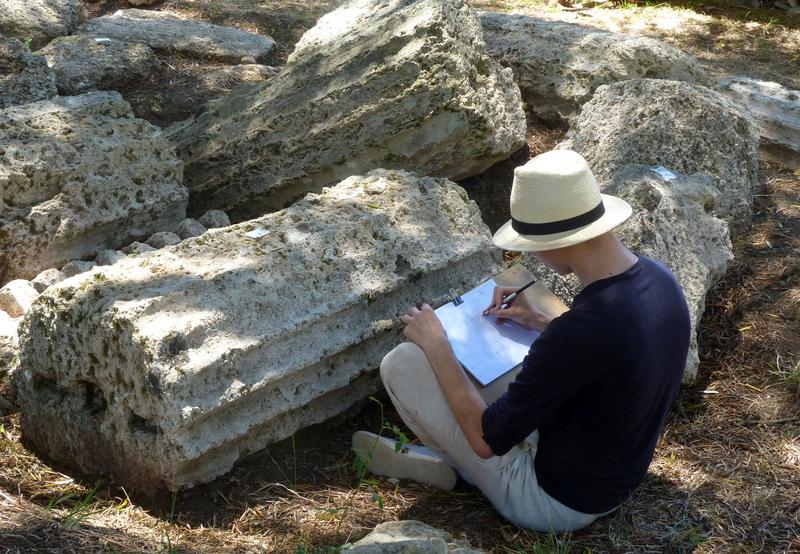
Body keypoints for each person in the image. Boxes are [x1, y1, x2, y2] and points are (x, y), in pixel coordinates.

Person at [352, 149, 691, 532]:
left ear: (559, 242)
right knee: (487, 378)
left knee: (404, 363)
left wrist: (438, 344)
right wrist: (539, 321)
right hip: (616, 473)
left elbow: (485, 440)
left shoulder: (579, 331)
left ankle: (451, 464)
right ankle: (452, 462)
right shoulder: (661, 279)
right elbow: (612, 353)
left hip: (555, 502)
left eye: (531, 244)